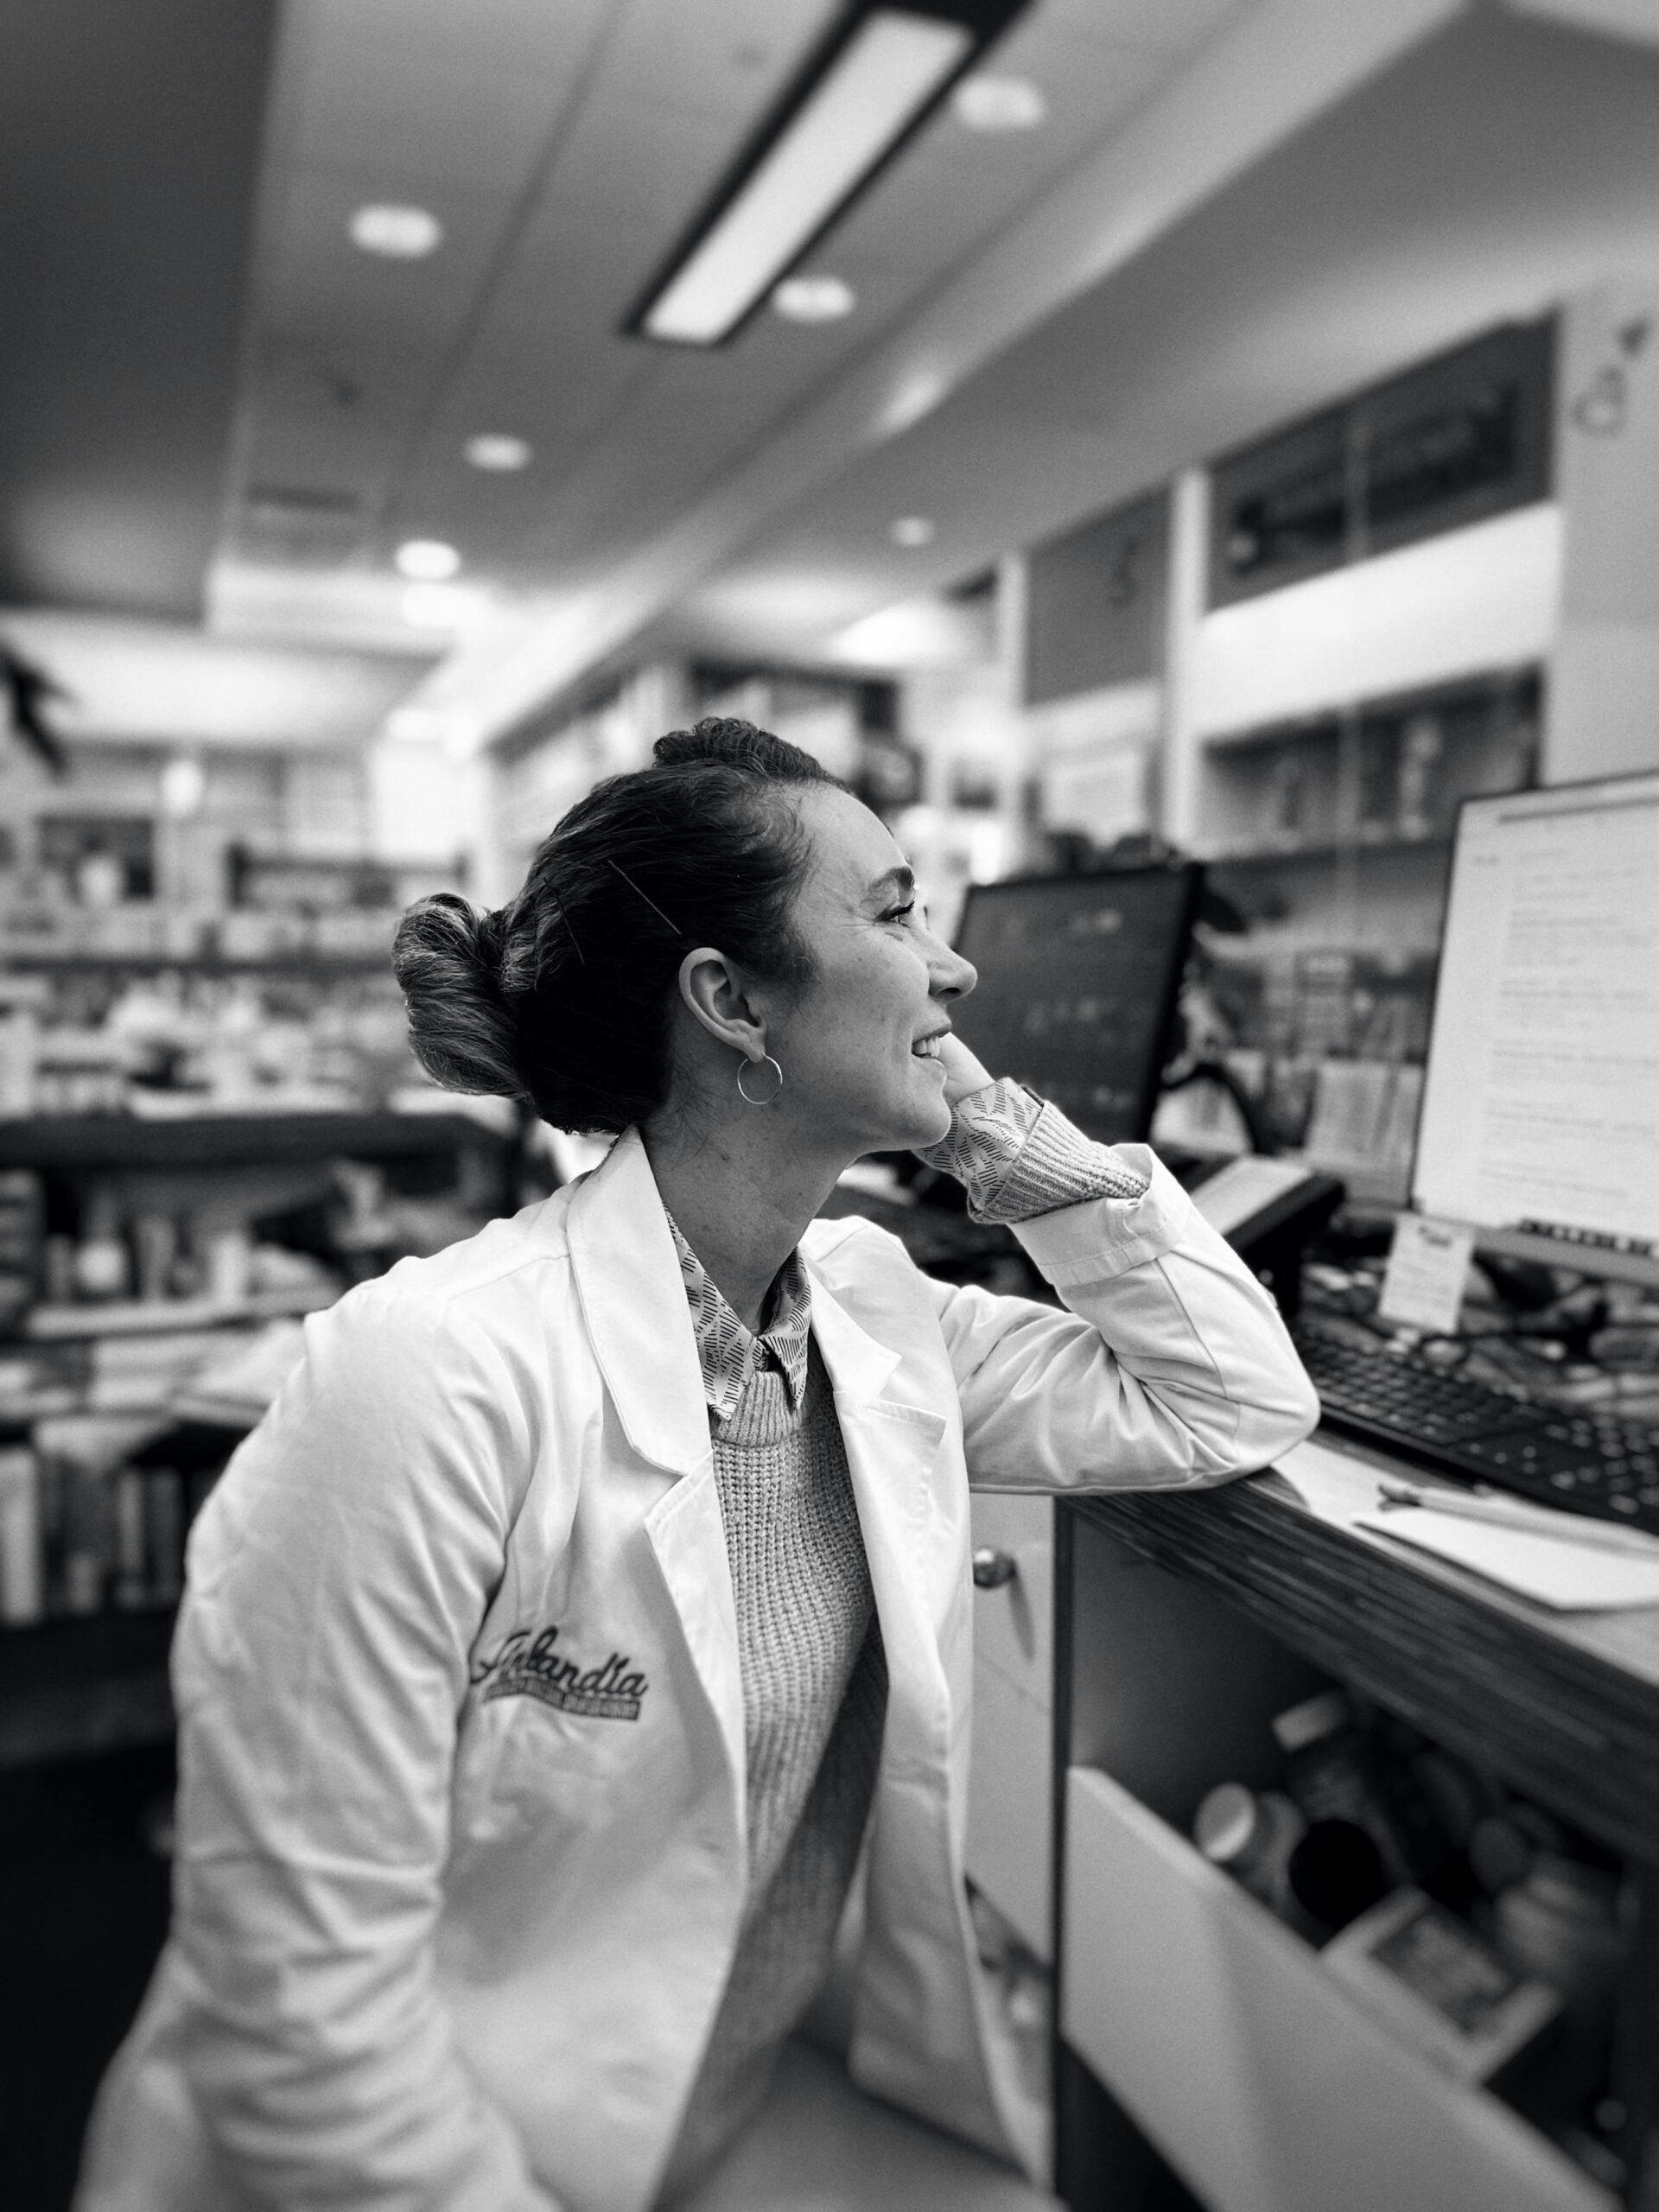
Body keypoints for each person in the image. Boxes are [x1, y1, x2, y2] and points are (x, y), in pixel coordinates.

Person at [77, 719, 1319, 2212]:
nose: (958, 964)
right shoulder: (421, 1381)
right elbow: (299, 2023)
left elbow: (1229, 1400)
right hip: (417, 2163)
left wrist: (985, 1127)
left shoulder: (868, 1316)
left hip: (715, 2108)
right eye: (897, 912)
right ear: (729, 1001)